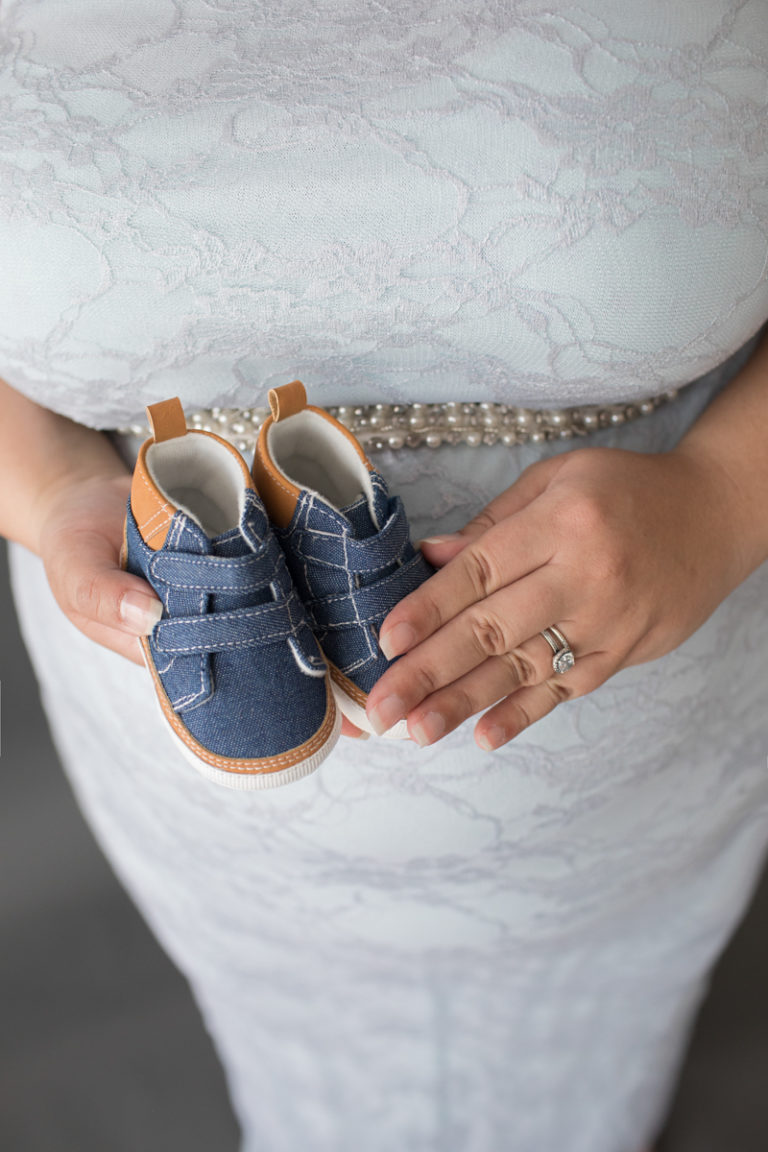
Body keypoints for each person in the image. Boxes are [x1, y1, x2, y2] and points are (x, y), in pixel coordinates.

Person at [2, 3, 767, 1150]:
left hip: (642, 784)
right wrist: (46, 486)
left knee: (601, 1062)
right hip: (214, 838)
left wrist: (727, 496)